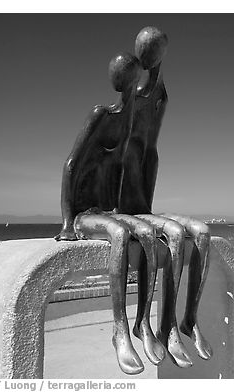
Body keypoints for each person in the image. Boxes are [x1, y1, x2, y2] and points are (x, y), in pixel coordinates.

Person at [55, 53, 162, 375]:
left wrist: (156, 64)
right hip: (84, 215)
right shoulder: (102, 114)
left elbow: (156, 89)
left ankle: (144, 323)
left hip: (108, 210)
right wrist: (66, 223)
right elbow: (71, 164)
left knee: (145, 233)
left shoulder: (133, 119)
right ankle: (119, 330)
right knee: (118, 235)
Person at [118, 26, 212, 366]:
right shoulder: (134, 90)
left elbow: (150, 149)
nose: (154, 56)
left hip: (146, 191)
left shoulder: (159, 89)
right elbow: (121, 152)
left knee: (201, 232)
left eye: (157, 49)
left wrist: (146, 203)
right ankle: (154, 325)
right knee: (171, 233)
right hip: (127, 202)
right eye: (149, 50)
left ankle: (185, 320)